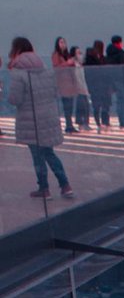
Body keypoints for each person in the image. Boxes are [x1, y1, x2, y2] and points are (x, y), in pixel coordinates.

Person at [6, 38, 75, 198]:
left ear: (16, 50)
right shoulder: (46, 70)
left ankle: (44, 188)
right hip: (48, 117)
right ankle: (65, 185)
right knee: (49, 152)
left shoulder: (19, 73)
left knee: (38, 156)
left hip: (31, 120)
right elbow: (54, 92)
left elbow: (15, 99)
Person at [51, 36, 81, 132]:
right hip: (63, 82)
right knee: (66, 105)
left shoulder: (67, 54)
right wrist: (67, 63)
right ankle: (68, 125)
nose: (63, 44)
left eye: (64, 42)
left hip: (70, 82)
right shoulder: (56, 55)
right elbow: (56, 67)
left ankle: (70, 124)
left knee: (70, 105)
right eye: (61, 42)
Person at [105, 35, 124, 128]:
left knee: (120, 102)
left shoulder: (109, 55)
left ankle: (122, 121)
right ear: (119, 43)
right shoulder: (121, 54)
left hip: (115, 81)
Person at [84, 41, 112, 131]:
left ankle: (105, 122)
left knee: (105, 105)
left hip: (104, 86)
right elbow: (89, 73)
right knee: (97, 106)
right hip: (95, 86)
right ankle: (99, 123)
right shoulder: (90, 59)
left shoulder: (104, 58)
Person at [71, 46, 91, 129]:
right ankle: (81, 123)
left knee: (86, 106)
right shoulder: (74, 65)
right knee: (81, 106)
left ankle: (86, 123)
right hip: (79, 89)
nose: (80, 55)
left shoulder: (81, 65)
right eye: (78, 53)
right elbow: (76, 78)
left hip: (84, 88)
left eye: (80, 53)